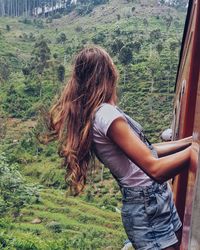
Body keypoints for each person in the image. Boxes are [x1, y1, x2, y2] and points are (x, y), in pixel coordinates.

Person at [49, 46, 192, 250]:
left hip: (153, 201)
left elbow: (148, 150)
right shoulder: (106, 115)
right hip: (148, 206)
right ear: (108, 73)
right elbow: (155, 169)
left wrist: (190, 142)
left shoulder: (99, 114)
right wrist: (193, 152)